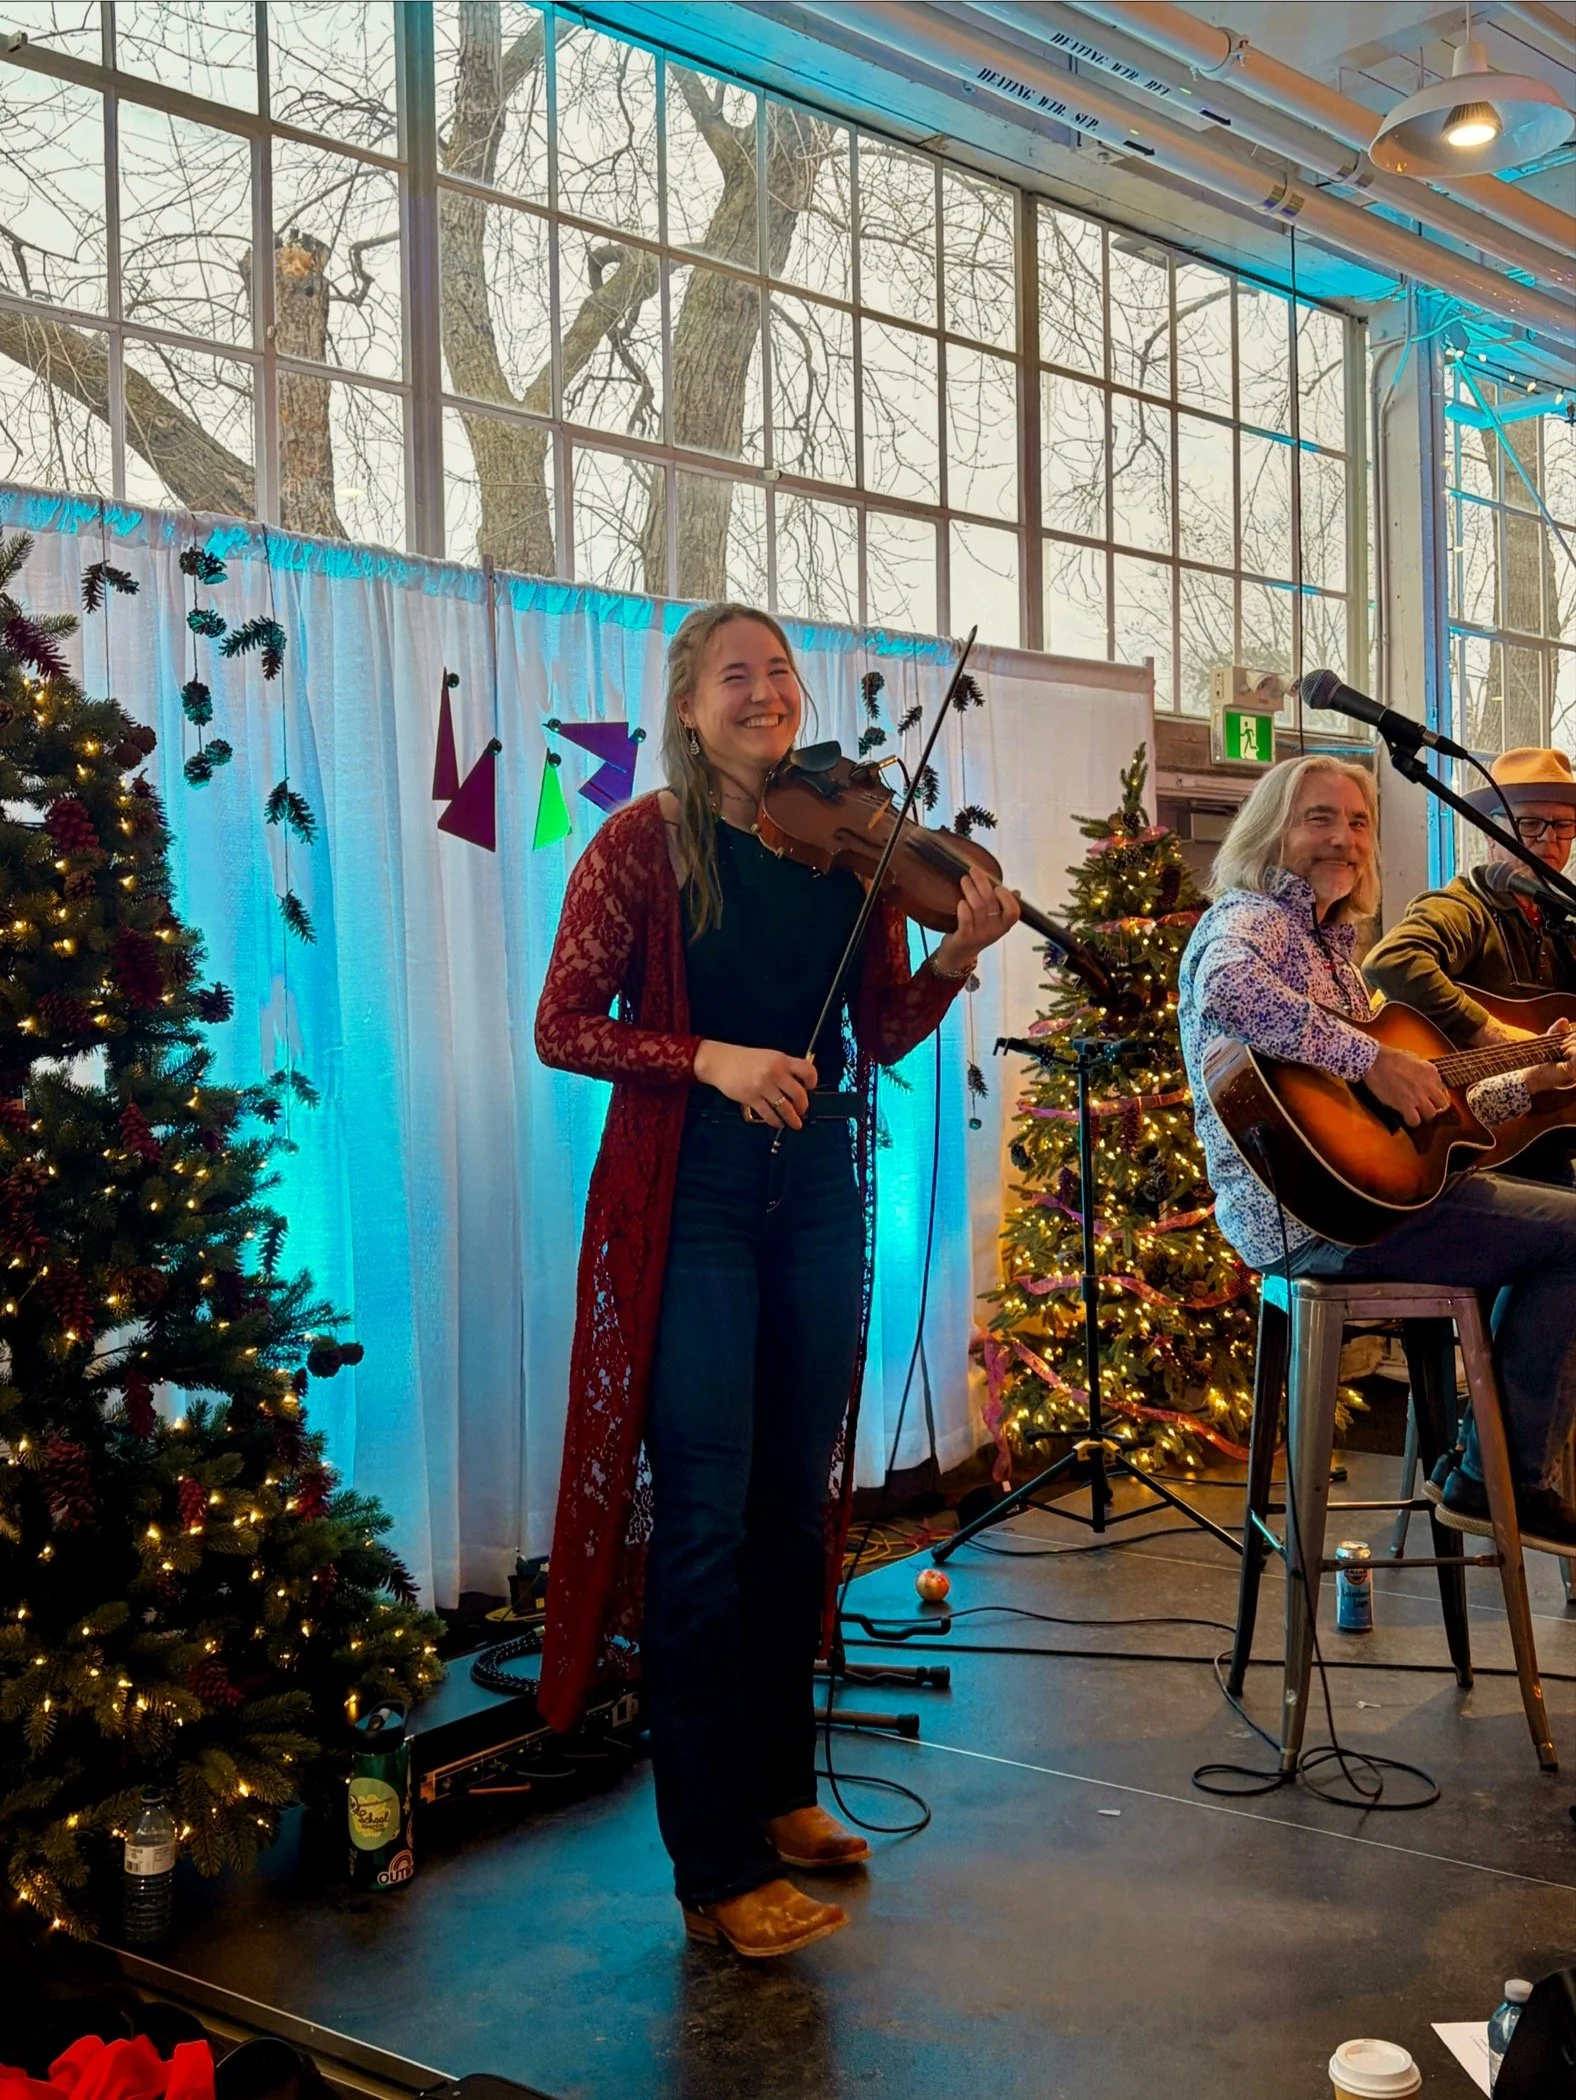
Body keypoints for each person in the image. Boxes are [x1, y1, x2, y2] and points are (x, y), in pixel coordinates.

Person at [534, 602, 1019, 1959]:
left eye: (779, 671)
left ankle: (784, 1789)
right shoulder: (642, 844)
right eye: (734, 675)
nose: (765, 691)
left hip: (814, 1196)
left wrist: (961, 954)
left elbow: (879, 1030)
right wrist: (711, 1061)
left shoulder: (842, 854)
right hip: (686, 1203)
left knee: (791, 1511)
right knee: (701, 1522)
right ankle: (714, 1860)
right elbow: (562, 1025)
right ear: (688, 709)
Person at [1177, 753, 1576, 1552]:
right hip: (1312, 1220)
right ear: (1271, 830)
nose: (1344, 839)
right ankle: (1500, 1478)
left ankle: (1485, 1464)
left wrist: (1529, 1079)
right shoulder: (1252, 919)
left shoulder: (1333, 952)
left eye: (1358, 822)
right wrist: (1372, 1061)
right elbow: (1226, 988)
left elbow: (1430, 1102)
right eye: (1318, 818)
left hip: (1369, 1200)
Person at [1363, 746, 1576, 1182]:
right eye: (1530, 824)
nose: (1549, 842)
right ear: (1490, 835)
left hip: (1547, 1141)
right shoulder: (1466, 906)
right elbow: (1391, 960)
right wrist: (1493, 1034)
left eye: (1564, 825)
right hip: (1466, 1151)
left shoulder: (1564, 923)